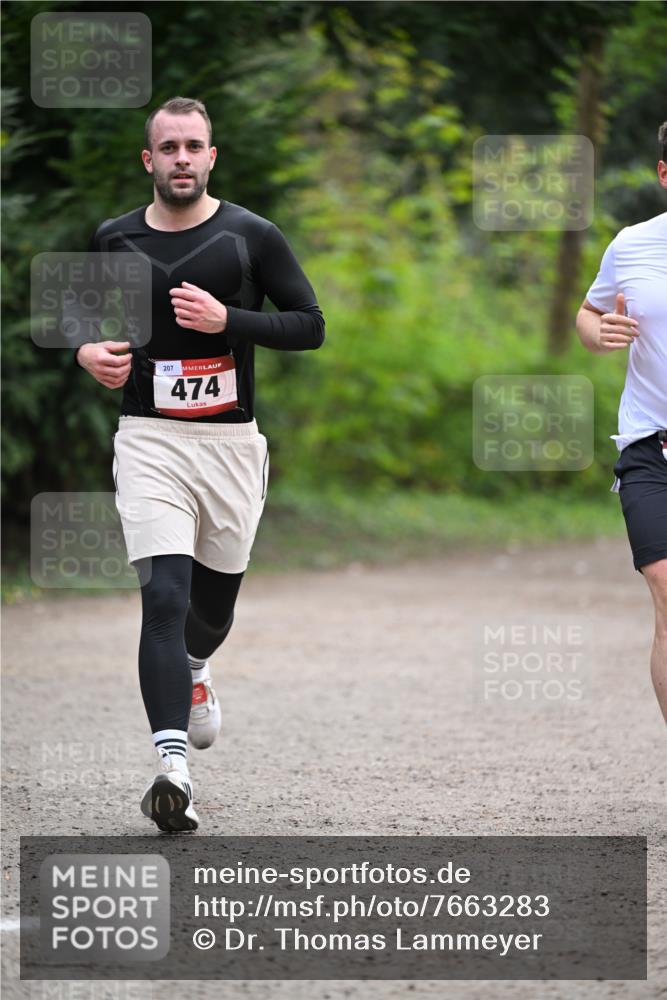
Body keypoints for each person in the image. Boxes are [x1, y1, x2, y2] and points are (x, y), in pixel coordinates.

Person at [75, 96, 325, 831]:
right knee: (164, 600)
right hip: (149, 441)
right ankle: (172, 770)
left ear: (211, 157)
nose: (182, 158)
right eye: (169, 147)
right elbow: (88, 323)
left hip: (229, 447)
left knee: (209, 617)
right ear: (147, 160)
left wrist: (230, 321)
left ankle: (196, 668)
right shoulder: (113, 238)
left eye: (194, 146)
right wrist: (88, 352)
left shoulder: (252, 236)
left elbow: (310, 326)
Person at [576, 121, 667, 726]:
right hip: (650, 446)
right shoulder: (633, 244)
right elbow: (589, 311)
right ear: (664, 174)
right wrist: (599, 332)